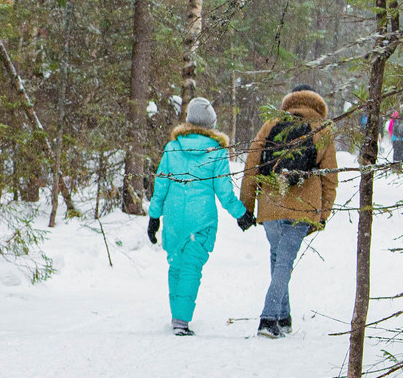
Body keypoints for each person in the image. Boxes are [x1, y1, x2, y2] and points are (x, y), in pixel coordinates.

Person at [240, 85, 338, 338]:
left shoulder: (271, 124)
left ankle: (283, 317)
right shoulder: (322, 129)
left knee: (278, 259)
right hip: (303, 207)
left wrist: (247, 206)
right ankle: (268, 318)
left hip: (270, 203)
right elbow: (330, 177)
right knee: (284, 262)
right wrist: (323, 214)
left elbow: (252, 165)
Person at [145, 97, 245, 336]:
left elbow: (161, 185)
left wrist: (154, 216)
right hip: (201, 219)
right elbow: (224, 191)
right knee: (191, 268)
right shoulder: (216, 152)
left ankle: (177, 316)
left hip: (173, 219)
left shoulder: (172, 148)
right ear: (211, 123)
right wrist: (242, 214)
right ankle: (181, 321)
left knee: (176, 265)